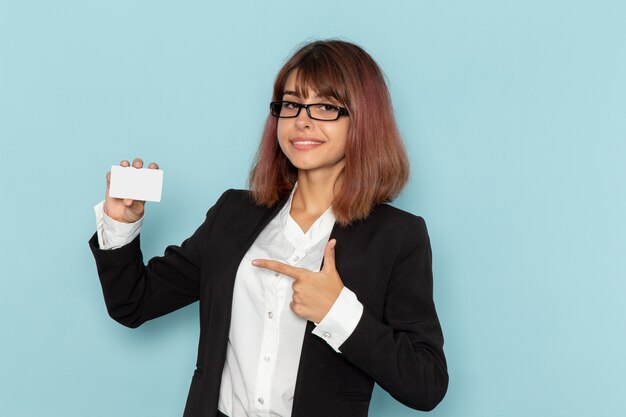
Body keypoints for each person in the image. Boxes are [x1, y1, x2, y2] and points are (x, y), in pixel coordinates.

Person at [89, 39, 448, 417]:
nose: (302, 119)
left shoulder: (397, 237)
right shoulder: (234, 214)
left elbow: (426, 385)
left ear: (363, 119)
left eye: (326, 106)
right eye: (291, 104)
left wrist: (337, 312)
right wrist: (121, 226)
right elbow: (132, 303)